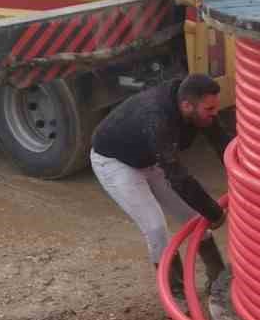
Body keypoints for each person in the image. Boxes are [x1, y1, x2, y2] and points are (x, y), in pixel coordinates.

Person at [91, 73, 231, 295]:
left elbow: (223, 143)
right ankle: (175, 292)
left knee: (196, 218)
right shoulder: (157, 117)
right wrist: (214, 212)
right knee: (156, 228)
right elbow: (178, 177)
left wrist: (246, 178)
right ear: (186, 106)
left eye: (215, 108)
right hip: (116, 162)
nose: (215, 114)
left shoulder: (197, 108)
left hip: (151, 156)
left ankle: (219, 278)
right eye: (209, 110)